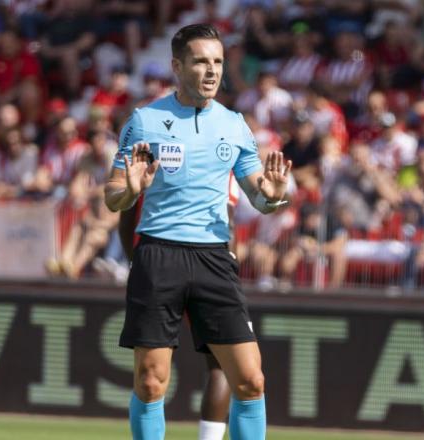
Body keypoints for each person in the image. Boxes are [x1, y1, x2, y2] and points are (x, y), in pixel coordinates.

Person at [104, 24, 291, 440]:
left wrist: (275, 197)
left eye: (218, 62)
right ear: (177, 66)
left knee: (251, 380)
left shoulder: (235, 125)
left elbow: (261, 197)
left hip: (213, 258)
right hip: (159, 255)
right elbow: (113, 194)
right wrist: (130, 190)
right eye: (202, 61)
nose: (212, 71)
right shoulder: (143, 120)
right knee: (151, 382)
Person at [117, 173, 239, 440]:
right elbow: (227, 221)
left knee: (223, 367)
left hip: (160, 264)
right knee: (154, 376)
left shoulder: (151, 146)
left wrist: (134, 264)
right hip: (198, 264)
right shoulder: (218, 148)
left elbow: (125, 216)